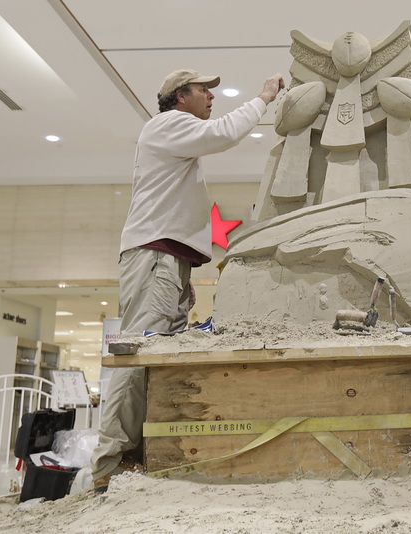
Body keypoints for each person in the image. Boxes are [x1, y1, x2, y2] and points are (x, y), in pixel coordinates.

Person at [90, 69, 285, 492]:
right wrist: (264, 97)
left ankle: (133, 454)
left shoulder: (172, 136)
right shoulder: (166, 124)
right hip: (155, 254)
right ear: (180, 96)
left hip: (165, 256)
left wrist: (180, 269)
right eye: (204, 90)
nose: (211, 97)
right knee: (140, 352)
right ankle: (110, 464)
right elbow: (224, 134)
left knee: (154, 354)